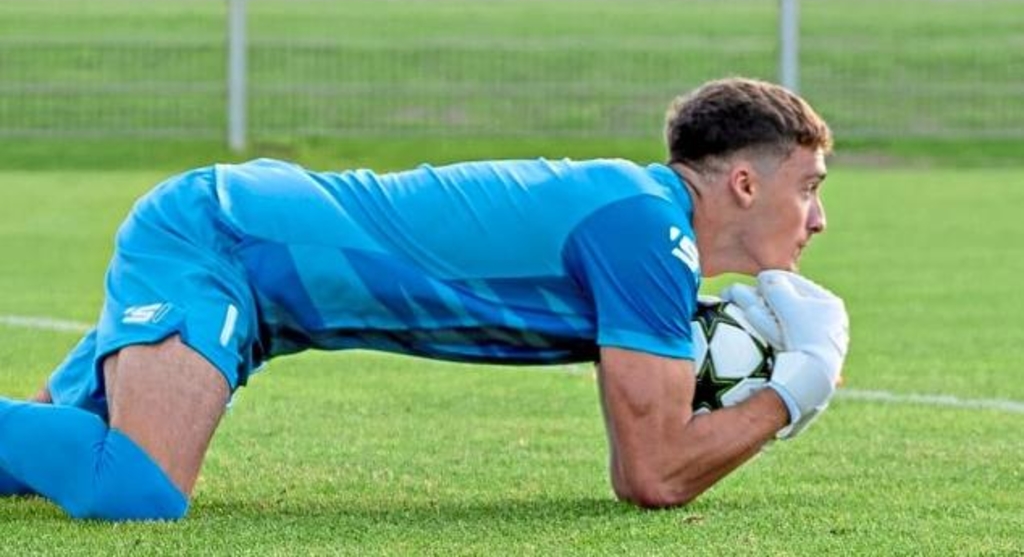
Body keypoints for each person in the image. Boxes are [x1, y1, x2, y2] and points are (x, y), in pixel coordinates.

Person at [0, 77, 849, 521]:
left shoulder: (649, 231)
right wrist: (798, 383)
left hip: (253, 275)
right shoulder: (648, 234)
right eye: (808, 187)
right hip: (223, 240)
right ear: (744, 182)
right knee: (136, 490)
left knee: (25, 475)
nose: (818, 217)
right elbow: (654, 474)